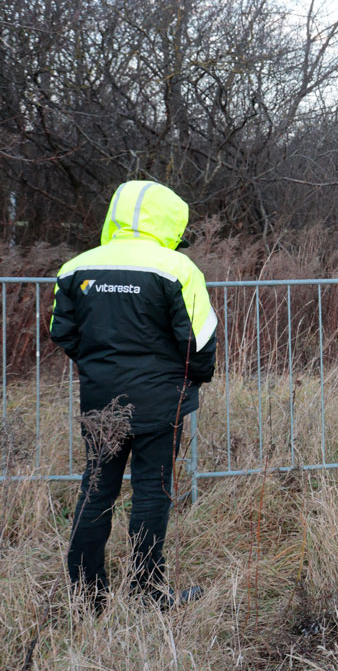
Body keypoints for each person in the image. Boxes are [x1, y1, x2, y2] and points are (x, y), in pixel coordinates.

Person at [50, 180, 217, 610]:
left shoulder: (75, 268)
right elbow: (198, 341)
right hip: (161, 402)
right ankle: (146, 593)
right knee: (151, 490)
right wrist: (191, 383)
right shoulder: (176, 268)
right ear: (168, 218)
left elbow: (62, 332)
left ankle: (87, 597)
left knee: (96, 488)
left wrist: (99, 369)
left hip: (100, 400)